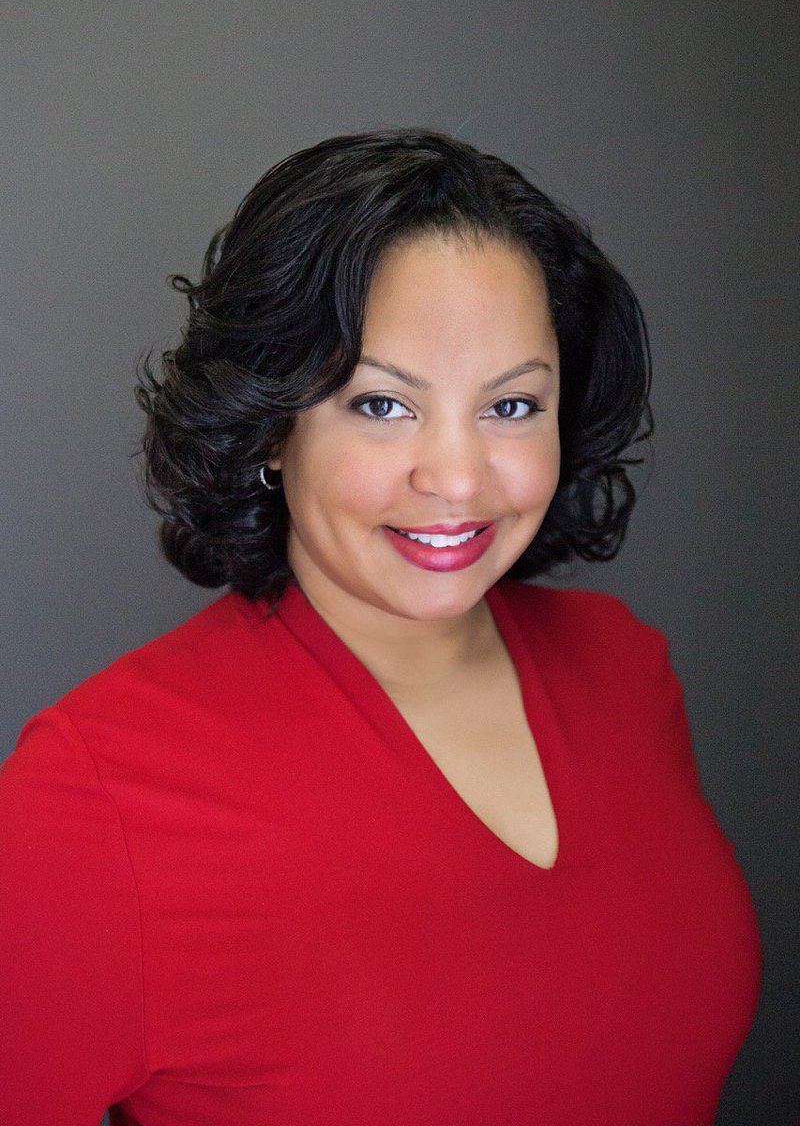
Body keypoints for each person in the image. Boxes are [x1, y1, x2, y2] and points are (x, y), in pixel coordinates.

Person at [0, 128, 760, 1125]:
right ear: (274, 425)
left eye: (511, 405)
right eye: (382, 405)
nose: (456, 478)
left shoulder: (623, 667)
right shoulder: (92, 797)